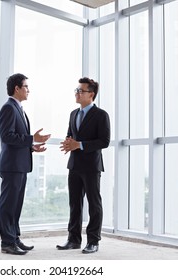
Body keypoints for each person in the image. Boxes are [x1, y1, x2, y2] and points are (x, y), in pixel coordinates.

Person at [0, 73, 51, 255]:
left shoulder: (19, 109)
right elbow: (7, 136)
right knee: (8, 205)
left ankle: (14, 238)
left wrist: (32, 146)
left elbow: (17, 139)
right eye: (26, 86)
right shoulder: (9, 108)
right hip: (12, 166)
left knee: (16, 205)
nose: (29, 90)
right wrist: (31, 138)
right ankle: (7, 242)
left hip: (20, 165)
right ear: (17, 89)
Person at [57, 77, 110, 254]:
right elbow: (70, 134)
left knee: (94, 204)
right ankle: (73, 240)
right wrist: (68, 142)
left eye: (81, 91)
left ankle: (93, 241)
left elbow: (104, 141)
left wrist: (79, 145)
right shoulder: (73, 114)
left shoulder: (101, 115)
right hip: (74, 165)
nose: (77, 93)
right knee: (74, 204)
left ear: (91, 94)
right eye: (77, 90)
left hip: (91, 166)